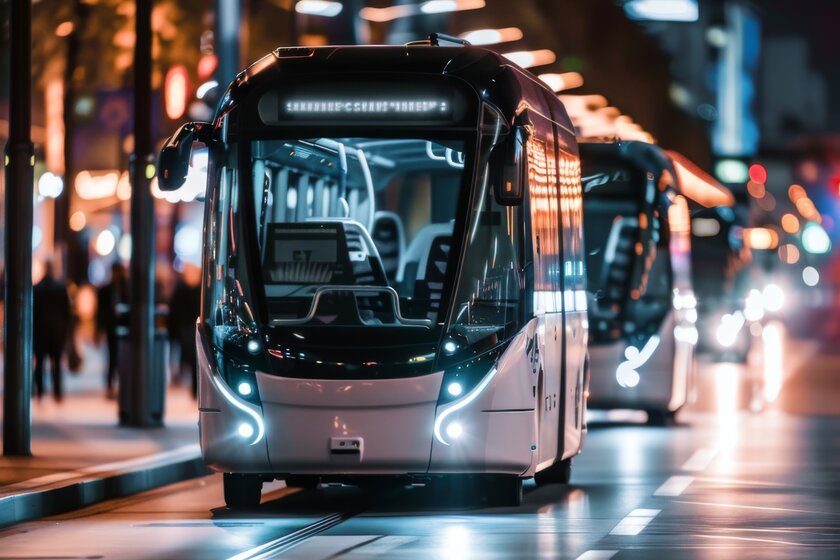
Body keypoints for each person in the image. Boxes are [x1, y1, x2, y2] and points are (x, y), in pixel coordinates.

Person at [33, 261, 72, 401]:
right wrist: (66, 331)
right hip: (57, 331)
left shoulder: (36, 289)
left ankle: (40, 391)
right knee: (57, 362)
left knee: (40, 362)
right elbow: (67, 313)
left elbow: (33, 313)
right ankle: (57, 391)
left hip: (40, 331)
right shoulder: (60, 288)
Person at [168, 264, 202, 397]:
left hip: (192, 326)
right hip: (187, 326)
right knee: (191, 354)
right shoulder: (183, 289)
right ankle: (193, 385)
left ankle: (194, 386)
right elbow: (175, 311)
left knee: (194, 356)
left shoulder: (194, 289)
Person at [96, 262, 129, 397]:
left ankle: (123, 386)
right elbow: (101, 311)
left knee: (123, 358)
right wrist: (99, 329)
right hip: (111, 328)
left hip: (124, 327)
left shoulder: (126, 289)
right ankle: (110, 386)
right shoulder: (105, 290)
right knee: (111, 357)